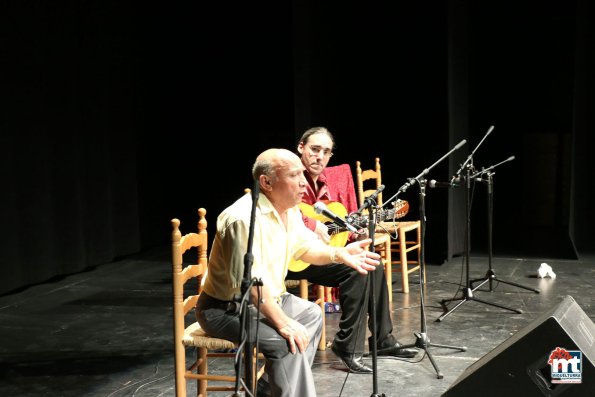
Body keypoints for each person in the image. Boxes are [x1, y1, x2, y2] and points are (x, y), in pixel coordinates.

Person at [196, 148, 382, 397]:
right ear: (266, 182)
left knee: (312, 315)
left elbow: (305, 248)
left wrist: (340, 254)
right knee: (287, 342)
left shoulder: (289, 210)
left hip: (270, 299)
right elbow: (251, 286)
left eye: (302, 175)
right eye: (295, 176)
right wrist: (284, 324)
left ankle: (268, 389)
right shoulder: (241, 219)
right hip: (225, 308)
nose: (305, 183)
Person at [286, 126, 419, 374]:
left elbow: (334, 228)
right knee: (355, 270)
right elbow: (280, 211)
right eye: (315, 149)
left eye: (326, 152)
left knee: (372, 262)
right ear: (301, 148)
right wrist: (313, 224)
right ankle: (347, 345)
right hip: (288, 258)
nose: (320, 157)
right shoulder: (289, 175)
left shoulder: (323, 183)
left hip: (315, 255)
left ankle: (383, 340)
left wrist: (355, 230)